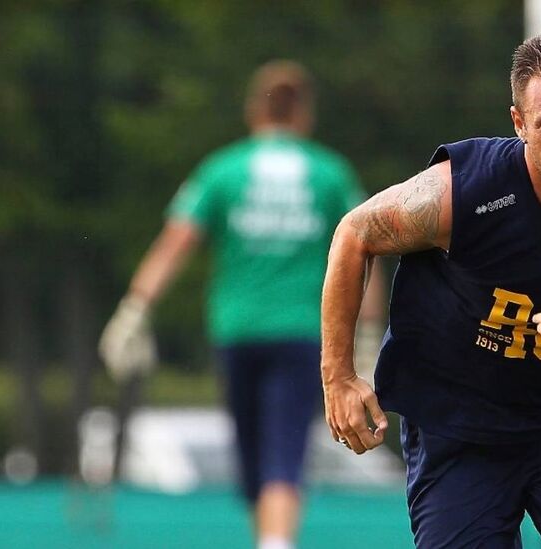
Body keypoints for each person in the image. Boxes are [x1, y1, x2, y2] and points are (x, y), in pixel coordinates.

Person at [319, 30, 541, 548]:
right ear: (519, 123)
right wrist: (339, 376)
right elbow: (355, 234)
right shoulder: (463, 191)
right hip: (457, 423)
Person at [98, 61, 381, 549]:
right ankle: (275, 541)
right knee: (284, 451)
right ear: (304, 113)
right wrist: (369, 332)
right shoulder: (329, 172)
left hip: (237, 329)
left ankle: (271, 540)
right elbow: (365, 251)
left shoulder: (223, 170)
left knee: (254, 456)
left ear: (254, 110)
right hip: (302, 331)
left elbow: (175, 243)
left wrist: (134, 309)